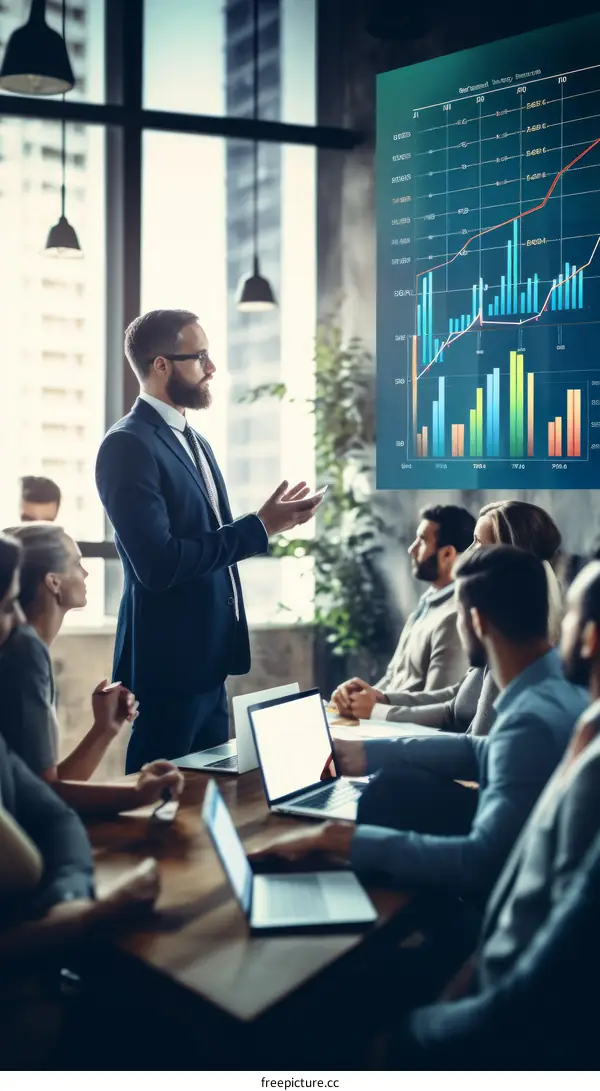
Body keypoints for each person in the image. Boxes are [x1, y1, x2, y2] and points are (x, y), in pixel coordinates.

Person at [251, 547, 587, 901]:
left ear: (477, 621)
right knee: (400, 783)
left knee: (392, 792)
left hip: (507, 911)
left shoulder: (530, 719)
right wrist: (366, 753)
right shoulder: (560, 687)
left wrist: (338, 839)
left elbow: (479, 861)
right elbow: (481, 749)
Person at [384, 560, 600, 1069]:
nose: (557, 630)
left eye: (566, 618)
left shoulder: (591, 764)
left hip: (511, 1025)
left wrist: (414, 1035)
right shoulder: (582, 719)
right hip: (491, 957)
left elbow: (548, 970)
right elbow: (484, 749)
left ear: (590, 638)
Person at [95, 309, 323, 772]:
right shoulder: (127, 445)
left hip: (209, 663)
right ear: (161, 365)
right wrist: (260, 527)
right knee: (158, 807)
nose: (212, 368)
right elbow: (159, 565)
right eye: (198, 357)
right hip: (169, 666)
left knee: (207, 802)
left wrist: (267, 523)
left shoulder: (195, 440)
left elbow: (207, 539)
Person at [0, 524, 184, 815]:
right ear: (53, 582)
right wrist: (140, 795)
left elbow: (44, 786)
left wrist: (105, 729)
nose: (85, 573)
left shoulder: (28, 648)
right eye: (76, 563)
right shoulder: (26, 651)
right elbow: (42, 800)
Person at [347, 499, 564, 733]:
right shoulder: (497, 628)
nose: (467, 552)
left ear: (506, 555)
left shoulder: (511, 642)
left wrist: (376, 716)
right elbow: (458, 701)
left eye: (478, 542)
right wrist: (380, 700)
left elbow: (474, 748)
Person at [331, 505, 476, 717]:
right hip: (383, 723)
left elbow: (438, 710)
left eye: (422, 540)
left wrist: (375, 711)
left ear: (447, 554)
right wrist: (356, 699)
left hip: (402, 735)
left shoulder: (453, 618)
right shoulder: (426, 605)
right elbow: (393, 676)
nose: (411, 549)